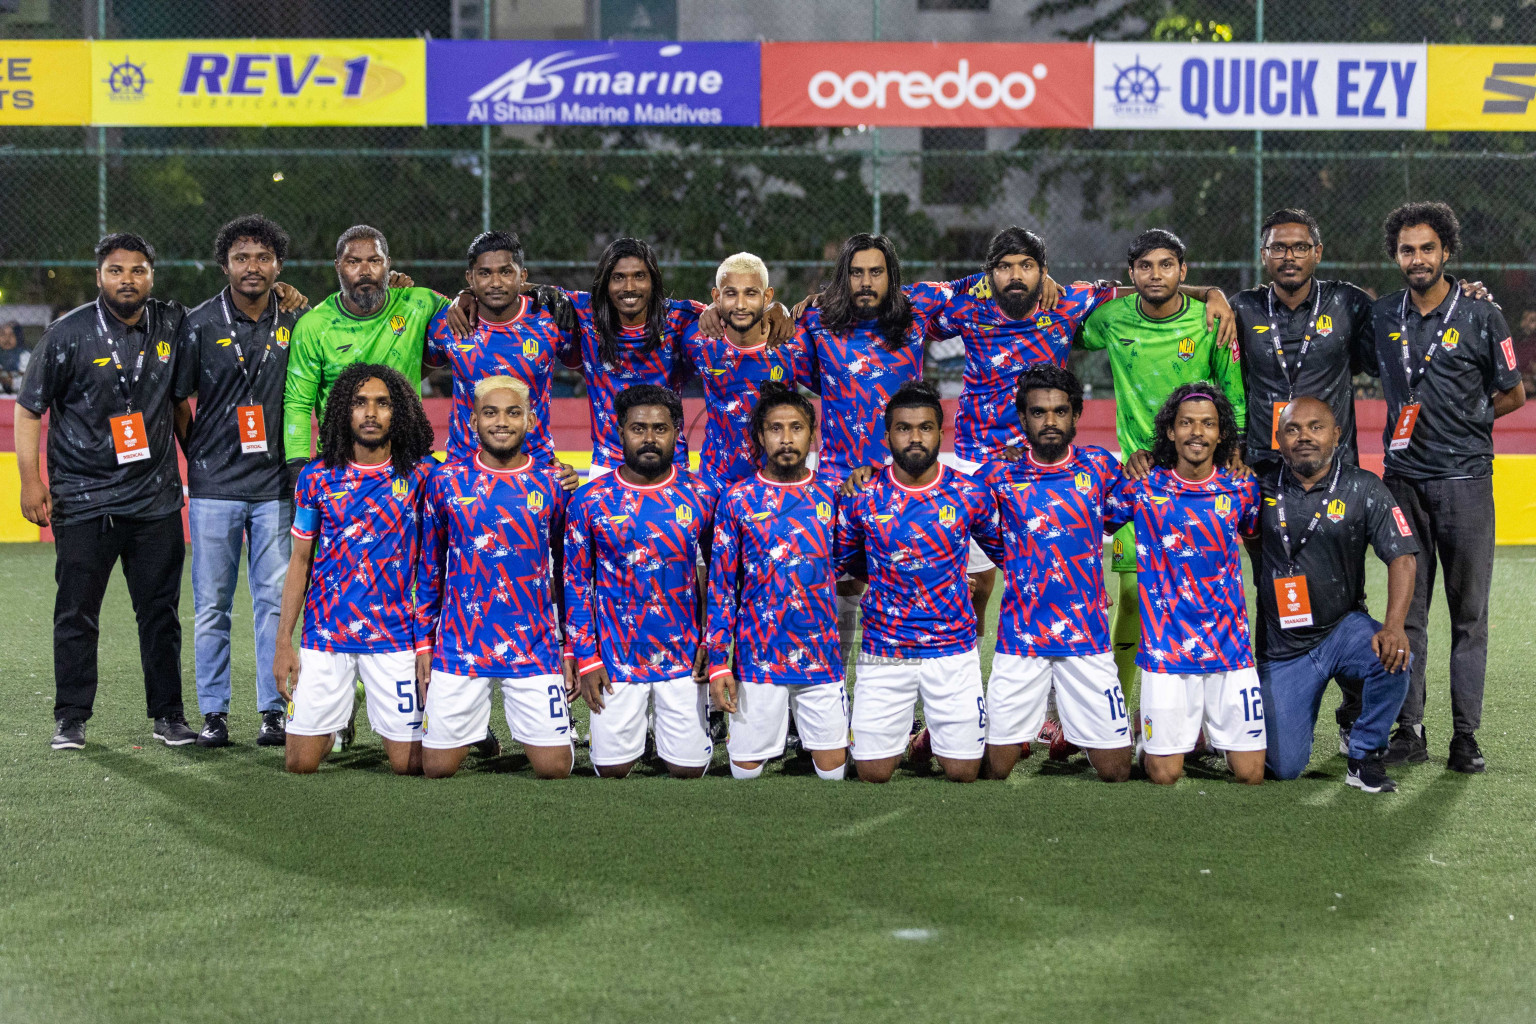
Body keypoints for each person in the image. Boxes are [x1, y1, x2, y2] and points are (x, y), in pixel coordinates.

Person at [17, 233, 197, 749]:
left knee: (160, 614)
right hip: (83, 499)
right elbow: (29, 410)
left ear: (151, 276)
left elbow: (220, 319)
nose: (127, 280)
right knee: (76, 613)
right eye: (116, 271)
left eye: (138, 270)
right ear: (100, 276)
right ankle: (70, 718)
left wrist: (287, 296)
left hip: (155, 500)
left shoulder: (171, 322)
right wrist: (33, 482)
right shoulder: (66, 334)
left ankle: (169, 717)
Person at [1373, 201, 1525, 772]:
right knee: (1407, 613)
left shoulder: (1484, 316)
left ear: (1446, 252)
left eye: (1427, 248)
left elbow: (1513, 394)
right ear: (1397, 255)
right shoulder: (1382, 316)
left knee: (1469, 614)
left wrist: (1468, 419)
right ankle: (1409, 729)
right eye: (1408, 249)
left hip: (1465, 483)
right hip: (1404, 485)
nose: (1418, 258)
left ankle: (1466, 736)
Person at [1080, 228, 1248, 701]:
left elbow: (1232, 393)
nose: (1157, 275)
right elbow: (1061, 329)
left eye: (1167, 265)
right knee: (1132, 599)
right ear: (1131, 274)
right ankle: (1111, 709)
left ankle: (1197, 717)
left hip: (1200, 484)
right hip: (1136, 480)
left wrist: (1233, 454)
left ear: (1183, 271)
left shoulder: (1211, 321)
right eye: (1146, 267)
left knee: (1199, 599)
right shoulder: (1111, 319)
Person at [794, 234, 976, 655]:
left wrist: (1046, 284)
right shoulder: (816, 321)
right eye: (856, 273)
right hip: (839, 480)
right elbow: (805, 374)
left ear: (891, 277)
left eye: (876, 272)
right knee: (836, 589)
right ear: (843, 277)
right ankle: (833, 695)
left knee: (909, 582)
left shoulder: (917, 308)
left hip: (906, 479)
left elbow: (976, 284)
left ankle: (920, 695)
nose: (865, 282)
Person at [174, 215, 306, 748]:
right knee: (212, 605)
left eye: (263, 258)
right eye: (242, 258)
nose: (253, 267)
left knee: (273, 603)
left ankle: (272, 711)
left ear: (278, 264)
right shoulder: (199, 323)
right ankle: (213, 711)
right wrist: (198, 453)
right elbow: (177, 398)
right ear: (225, 264)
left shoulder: (298, 319)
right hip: (213, 489)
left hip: (277, 487)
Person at [972, 365, 1132, 782]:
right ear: (1022, 417)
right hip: (1021, 638)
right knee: (994, 771)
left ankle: (1072, 731)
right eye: (1038, 413)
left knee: (1116, 771)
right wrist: (1007, 561)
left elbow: (1128, 512)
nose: (1050, 421)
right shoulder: (997, 475)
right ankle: (945, 739)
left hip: (1087, 637)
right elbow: (954, 515)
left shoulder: (1100, 468)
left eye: (1060, 411)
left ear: (1077, 415)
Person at [274, 364, 437, 775]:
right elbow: (300, 560)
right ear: (343, 412)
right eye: (359, 403)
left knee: (410, 765)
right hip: (327, 634)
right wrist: (283, 643)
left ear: (396, 412)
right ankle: (334, 712)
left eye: (382, 404)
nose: (370, 413)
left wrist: (551, 474)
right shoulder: (316, 477)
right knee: (300, 763)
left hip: (396, 635)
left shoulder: (422, 475)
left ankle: (372, 703)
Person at [835, 381, 998, 783]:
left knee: (963, 772)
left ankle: (930, 736)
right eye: (904, 428)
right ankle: (903, 736)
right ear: (888, 435)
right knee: (873, 773)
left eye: (925, 427)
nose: (915, 437)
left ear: (941, 433)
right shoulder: (862, 494)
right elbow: (849, 562)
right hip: (884, 649)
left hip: (952, 648)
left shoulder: (969, 492)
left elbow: (1005, 550)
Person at [1253, 397, 1418, 792]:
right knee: (1283, 766)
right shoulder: (1255, 482)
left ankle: (1364, 756)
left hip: (1342, 630)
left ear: (1336, 435)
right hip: (1284, 648)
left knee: (1392, 654)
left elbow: (1404, 557)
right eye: (1292, 429)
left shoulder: (1364, 487)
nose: (1304, 436)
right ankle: (1211, 734)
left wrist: (1394, 625)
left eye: (1316, 427)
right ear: (1278, 439)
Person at [416, 376, 576, 780]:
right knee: (435, 769)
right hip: (461, 642)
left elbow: (569, 572)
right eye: (490, 412)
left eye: (512, 412)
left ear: (531, 419)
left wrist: (570, 647)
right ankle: (478, 735)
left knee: (555, 768)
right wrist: (423, 645)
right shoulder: (445, 482)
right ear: (473, 421)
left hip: (533, 644)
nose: (501, 421)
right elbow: (430, 570)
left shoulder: (553, 484)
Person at [1107, 384, 1264, 785]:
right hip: (1165, 648)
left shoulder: (1243, 488)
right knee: (1163, 775)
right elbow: (1087, 517)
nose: (1197, 432)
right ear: (1171, 432)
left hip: (1229, 646)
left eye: (1208, 424)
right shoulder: (1142, 487)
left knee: (1250, 775)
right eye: (1187, 423)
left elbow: (1256, 534)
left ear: (1221, 434)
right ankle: (1155, 738)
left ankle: (1202, 733)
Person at [564, 384, 715, 778]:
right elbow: (576, 583)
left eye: (660, 429)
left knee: (689, 770)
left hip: (684, 659)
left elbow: (719, 581)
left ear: (677, 432)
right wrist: (588, 657)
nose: (649, 438)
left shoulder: (702, 495)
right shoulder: (588, 500)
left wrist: (711, 645)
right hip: (615, 661)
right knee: (611, 770)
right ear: (619, 430)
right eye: (638, 428)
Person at [707, 381, 847, 780]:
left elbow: (864, 561)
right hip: (757, 663)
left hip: (821, 662)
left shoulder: (835, 495)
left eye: (797, 428)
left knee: (833, 774)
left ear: (811, 433)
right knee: (746, 775)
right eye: (775, 428)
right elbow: (720, 589)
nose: (787, 439)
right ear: (759, 436)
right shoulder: (737, 500)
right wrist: (719, 664)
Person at [282, 224, 453, 470]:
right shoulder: (313, 326)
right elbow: (298, 403)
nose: (365, 271)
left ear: (388, 264)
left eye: (374, 261)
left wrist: (466, 295)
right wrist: (296, 468)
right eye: (353, 262)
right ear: (337, 266)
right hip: (340, 463)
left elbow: (471, 311)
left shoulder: (419, 303)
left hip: (406, 461)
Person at [424, 230, 580, 469]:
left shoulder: (552, 320)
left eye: (506, 272)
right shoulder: (447, 325)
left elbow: (595, 374)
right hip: (464, 471)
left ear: (522, 275)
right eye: (485, 273)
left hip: (535, 469)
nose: (496, 283)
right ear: (470, 277)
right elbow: (410, 377)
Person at [559, 239, 706, 479]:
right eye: (618, 277)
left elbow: (737, 310)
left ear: (653, 281)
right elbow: (521, 292)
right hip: (608, 466)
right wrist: (472, 294)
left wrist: (779, 311)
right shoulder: (583, 311)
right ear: (605, 283)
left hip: (671, 464)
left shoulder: (683, 317)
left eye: (639, 276)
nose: (629, 286)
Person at [682, 252, 808, 497]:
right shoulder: (696, 340)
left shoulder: (794, 343)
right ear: (716, 297)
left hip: (776, 486)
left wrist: (781, 309)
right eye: (730, 294)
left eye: (751, 293)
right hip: (715, 485)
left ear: (767, 296)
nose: (740, 304)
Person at [0, 321, 30, 394]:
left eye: (11, 335)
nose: (7, 339)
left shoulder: (26, 355)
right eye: (3, 334)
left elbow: (29, 381)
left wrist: (13, 382)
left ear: (18, 337)